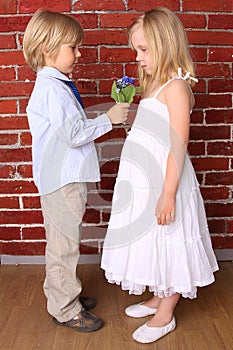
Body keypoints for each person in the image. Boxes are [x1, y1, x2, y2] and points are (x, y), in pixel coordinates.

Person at [101, 7, 219, 344]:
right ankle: (156, 295)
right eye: (136, 50)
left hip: (168, 181)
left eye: (143, 50)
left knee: (169, 239)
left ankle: (166, 312)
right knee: (151, 238)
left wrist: (168, 192)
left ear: (165, 44)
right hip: (145, 181)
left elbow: (178, 142)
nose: (138, 58)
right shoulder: (154, 85)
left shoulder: (177, 87)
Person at [23, 9, 129, 333]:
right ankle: (65, 308)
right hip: (62, 182)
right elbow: (74, 133)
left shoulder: (57, 85)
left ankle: (65, 295)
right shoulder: (52, 90)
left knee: (64, 242)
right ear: (47, 48)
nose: (79, 54)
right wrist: (108, 119)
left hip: (65, 179)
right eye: (73, 47)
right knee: (63, 246)